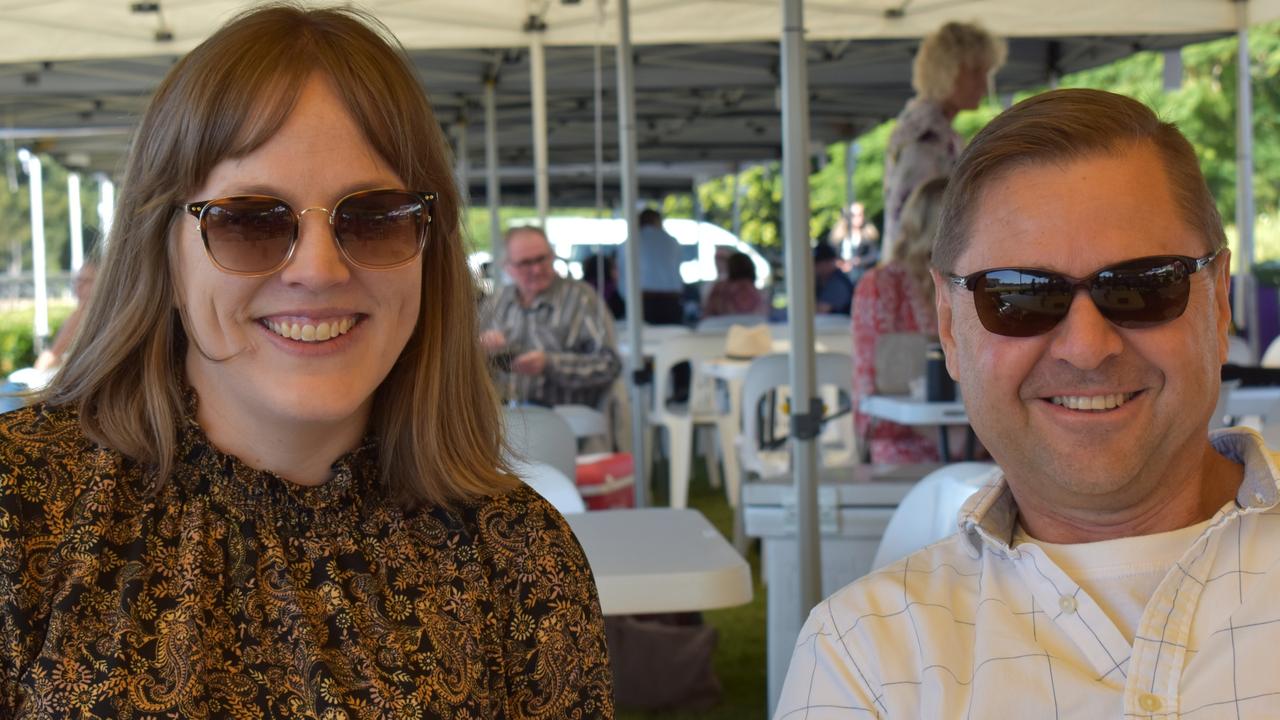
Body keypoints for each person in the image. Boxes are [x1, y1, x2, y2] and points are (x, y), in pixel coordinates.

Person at [0, 7, 613, 717]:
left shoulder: (523, 558)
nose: (318, 270)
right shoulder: (23, 513)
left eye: (374, 217)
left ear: (429, 250)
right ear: (162, 251)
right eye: (250, 220)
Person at [775, 88, 1279, 717]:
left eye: (1142, 286)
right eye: (1019, 296)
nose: (1087, 348)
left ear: (1219, 300)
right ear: (951, 327)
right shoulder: (863, 661)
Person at [882, 21, 1005, 258]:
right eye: (976, 72)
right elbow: (922, 225)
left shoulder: (930, 131)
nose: (984, 84)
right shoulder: (925, 137)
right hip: (922, 275)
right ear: (949, 71)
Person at [851, 177, 948, 463]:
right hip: (905, 436)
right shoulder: (882, 285)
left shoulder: (976, 282)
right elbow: (870, 387)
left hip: (978, 433)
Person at [482, 225, 621, 408]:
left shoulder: (581, 298)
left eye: (542, 259)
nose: (537, 269)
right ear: (507, 267)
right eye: (525, 263)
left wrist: (550, 364)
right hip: (503, 414)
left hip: (566, 416)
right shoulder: (497, 301)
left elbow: (609, 364)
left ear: (552, 255)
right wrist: (480, 347)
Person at [616, 207, 685, 324]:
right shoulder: (672, 241)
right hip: (671, 299)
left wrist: (627, 299)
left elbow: (623, 274)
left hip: (642, 300)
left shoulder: (630, 242)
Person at [34, 259, 97, 371]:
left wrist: (38, 371)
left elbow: (53, 355)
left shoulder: (84, 315)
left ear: (101, 284)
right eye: (78, 280)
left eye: (86, 281)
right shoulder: (80, 313)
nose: (79, 285)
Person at [703, 251, 767, 318]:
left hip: (720, 327)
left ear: (729, 267)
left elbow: (707, 314)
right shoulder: (758, 292)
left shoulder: (719, 289)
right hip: (753, 327)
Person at [813, 241, 854, 315]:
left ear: (830, 262)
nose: (815, 266)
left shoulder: (838, 283)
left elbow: (821, 309)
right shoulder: (820, 281)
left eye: (819, 263)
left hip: (841, 325)